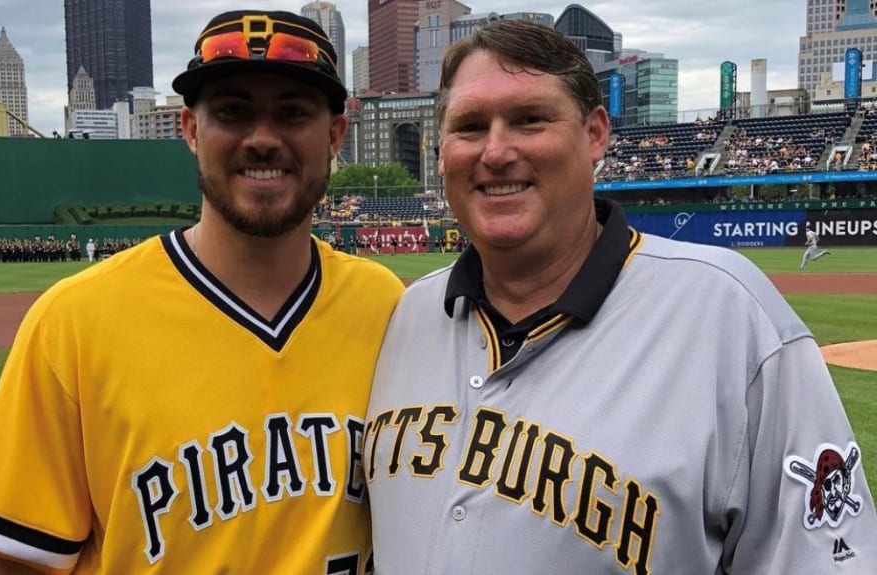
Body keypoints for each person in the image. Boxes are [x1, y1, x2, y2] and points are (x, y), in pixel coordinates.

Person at [364, 19, 876, 574]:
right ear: (442, 153)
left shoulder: (729, 314)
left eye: (529, 119)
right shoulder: (406, 317)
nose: (496, 150)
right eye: (469, 126)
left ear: (595, 134)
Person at [0, 10, 403, 574]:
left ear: (333, 135)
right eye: (232, 111)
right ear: (189, 130)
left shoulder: (386, 308)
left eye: (293, 112)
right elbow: (20, 566)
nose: (262, 139)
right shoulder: (74, 321)